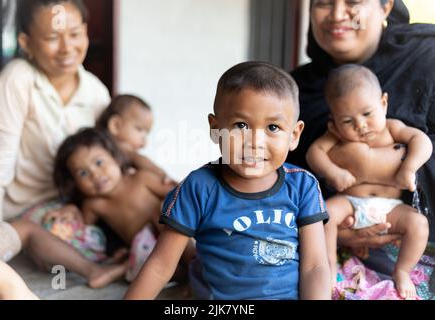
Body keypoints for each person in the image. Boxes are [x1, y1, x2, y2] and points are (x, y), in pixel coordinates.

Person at [124, 61, 331, 300]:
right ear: (215, 128)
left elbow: (315, 266)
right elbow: (160, 266)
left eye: (273, 127)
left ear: (294, 135)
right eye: (240, 125)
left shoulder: (302, 186)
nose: (255, 141)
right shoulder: (199, 187)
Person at [0, 0, 126, 287]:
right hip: (19, 210)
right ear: (26, 42)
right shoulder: (16, 82)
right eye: (52, 38)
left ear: (86, 32)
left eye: (74, 34)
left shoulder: (96, 92)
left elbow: (109, 161)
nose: (66, 48)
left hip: (72, 207)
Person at [289, 0, 435, 263]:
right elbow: (274, 184)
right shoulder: (292, 91)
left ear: (386, 6)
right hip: (327, 250)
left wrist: (364, 163)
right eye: (323, 3)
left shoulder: (427, 58)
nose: (337, 14)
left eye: (353, 2)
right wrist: (324, 226)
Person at [306, 64, 431, 299]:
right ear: (333, 122)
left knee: (419, 225)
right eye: (347, 121)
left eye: (367, 114)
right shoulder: (333, 135)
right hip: (351, 202)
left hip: (390, 207)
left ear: (383, 103)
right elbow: (314, 153)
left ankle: (402, 271)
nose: (360, 126)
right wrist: (333, 172)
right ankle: (329, 264)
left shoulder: (393, 128)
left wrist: (409, 167)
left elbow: (421, 141)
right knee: (325, 214)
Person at [53, 127, 191, 281]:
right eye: (83, 173)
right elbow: (90, 237)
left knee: (161, 212)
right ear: (75, 183)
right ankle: (187, 276)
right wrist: (71, 208)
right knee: (145, 261)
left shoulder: (141, 178)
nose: (95, 174)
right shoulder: (93, 205)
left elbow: (178, 194)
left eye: (99, 162)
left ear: (116, 158)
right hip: (149, 250)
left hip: (176, 233)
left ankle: (195, 263)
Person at [96, 94, 170, 181]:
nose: (144, 143)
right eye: (139, 129)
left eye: (146, 133)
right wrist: (162, 175)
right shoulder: (117, 146)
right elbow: (140, 160)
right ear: (115, 125)